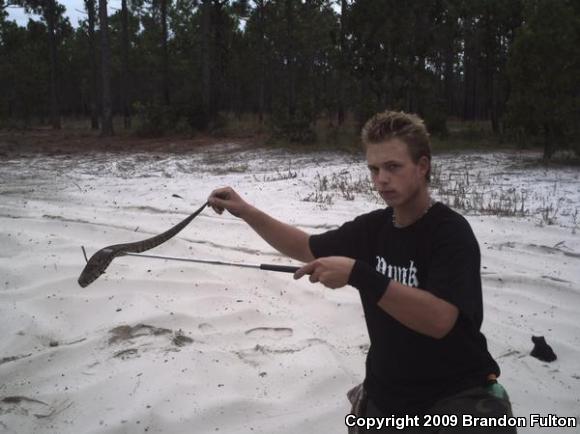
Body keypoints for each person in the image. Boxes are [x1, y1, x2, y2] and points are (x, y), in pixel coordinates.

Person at [208, 110, 515, 433]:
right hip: (387, 394)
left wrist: (359, 273)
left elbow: (439, 320)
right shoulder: (373, 228)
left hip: (454, 395)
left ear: (422, 166)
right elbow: (305, 246)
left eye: (393, 167)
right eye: (374, 169)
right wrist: (246, 212)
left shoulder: (450, 233)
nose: (381, 179)